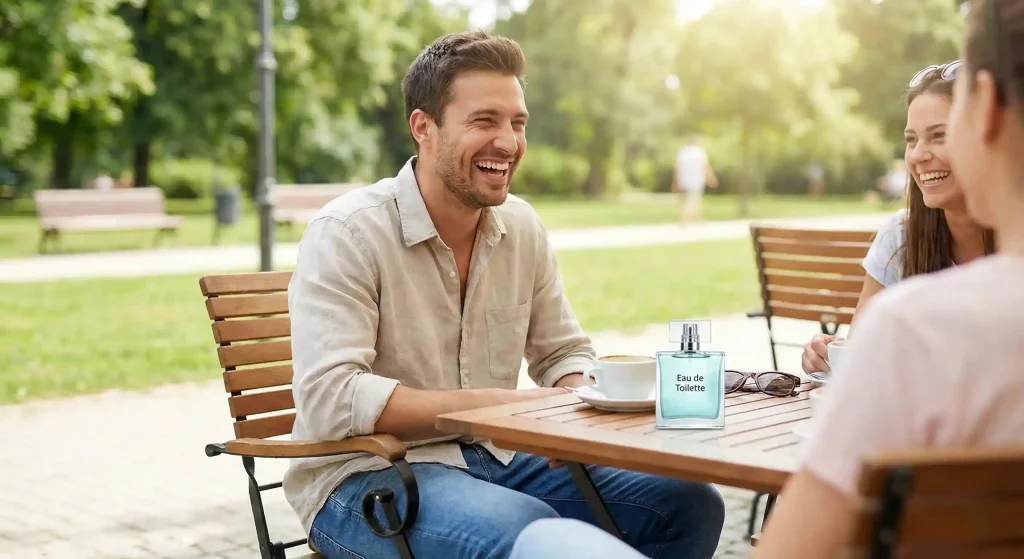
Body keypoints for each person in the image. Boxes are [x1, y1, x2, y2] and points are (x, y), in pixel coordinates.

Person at [508, 1, 1024, 557]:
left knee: (545, 539)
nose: (921, 155)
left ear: (987, 110)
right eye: (910, 139)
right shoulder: (908, 266)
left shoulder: (916, 326)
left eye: (946, 130)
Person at [284, 31, 725, 559]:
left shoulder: (521, 226)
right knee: (532, 530)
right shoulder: (349, 233)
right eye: (484, 120)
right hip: (366, 476)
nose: (509, 142)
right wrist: (515, 408)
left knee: (688, 502)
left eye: (517, 123)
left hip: (501, 456)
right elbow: (333, 398)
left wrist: (574, 407)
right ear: (423, 127)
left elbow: (563, 353)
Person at [800, 59, 996, 375]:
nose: (918, 155)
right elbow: (861, 354)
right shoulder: (900, 237)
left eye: (939, 135)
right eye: (911, 139)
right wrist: (826, 357)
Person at [673, 134, 718, 223]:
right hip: (697, 180)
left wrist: (676, 181)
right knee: (693, 200)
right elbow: (705, 166)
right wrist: (712, 179)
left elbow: (677, 168)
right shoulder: (699, 152)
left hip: (685, 180)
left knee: (694, 199)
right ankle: (683, 219)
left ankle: (698, 220)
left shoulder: (683, 152)